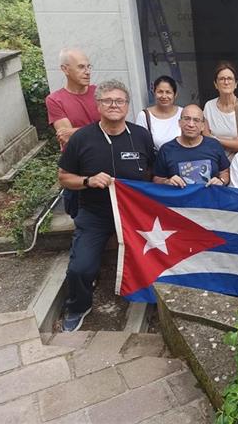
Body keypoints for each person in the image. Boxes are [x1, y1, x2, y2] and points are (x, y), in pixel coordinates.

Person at [58, 79, 155, 332]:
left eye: (119, 101)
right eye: (108, 100)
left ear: (127, 105)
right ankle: (78, 307)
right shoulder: (82, 138)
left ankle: (156, 299)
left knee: (164, 250)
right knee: (80, 268)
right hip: (96, 214)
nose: (114, 105)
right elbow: (64, 177)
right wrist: (88, 181)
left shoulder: (141, 136)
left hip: (135, 214)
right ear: (98, 105)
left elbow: (153, 172)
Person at [46, 48, 101, 218]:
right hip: (77, 172)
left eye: (89, 66)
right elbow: (68, 140)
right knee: (82, 221)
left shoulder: (100, 93)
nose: (87, 72)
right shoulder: (55, 100)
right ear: (65, 69)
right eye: (81, 67)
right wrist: (100, 128)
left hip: (104, 166)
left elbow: (114, 128)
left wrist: (77, 130)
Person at [154, 105, 230, 187]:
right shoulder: (166, 150)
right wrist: (167, 182)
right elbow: (157, 179)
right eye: (186, 119)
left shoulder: (214, 145)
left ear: (203, 126)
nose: (191, 124)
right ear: (179, 122)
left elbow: (225, 172)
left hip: (211, 195)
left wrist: (221, 181)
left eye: (196, 120)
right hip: (179, 195)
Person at [203, 61, 238, 158]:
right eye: (222, 79)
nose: (226, 82)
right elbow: (206, 139)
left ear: (236, 84)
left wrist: (216, 139)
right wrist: (234, 141)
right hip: (216, 160)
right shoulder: (209, 106)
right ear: (215, 84)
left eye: (229, 79)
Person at [135, 75, 182, 150]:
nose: (164, 96)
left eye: (168, 92)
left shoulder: (183, 113)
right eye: (160, 92)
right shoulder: (144, 116)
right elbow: (139, 144)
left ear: (175, 95)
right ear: (154, 93)